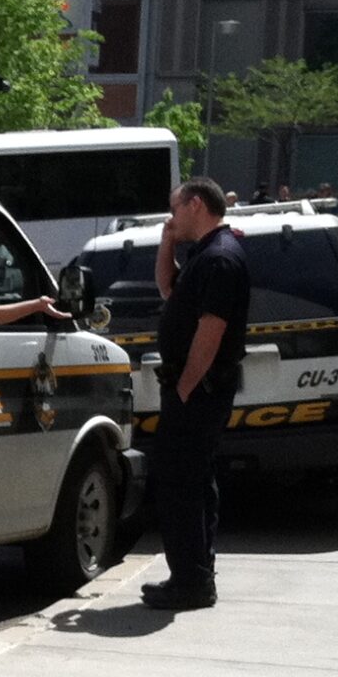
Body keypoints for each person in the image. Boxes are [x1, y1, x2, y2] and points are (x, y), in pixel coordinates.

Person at [142, 177, 250, 611]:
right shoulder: (205, 254)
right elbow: (168, 289)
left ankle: (191, 582)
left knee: (180, 485)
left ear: (195, 204)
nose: (171, 218)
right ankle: (194, 576)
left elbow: (211, 331)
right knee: (192, 482)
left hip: (199, 391)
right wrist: (167, 241)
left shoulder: (220, 258)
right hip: (194, 391)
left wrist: (186, 386)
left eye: (174, 210)